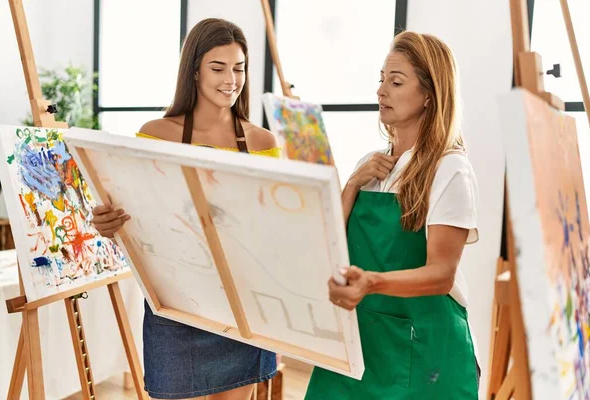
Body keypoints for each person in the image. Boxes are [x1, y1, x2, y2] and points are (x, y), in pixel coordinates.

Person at [91, 18, 280, 400]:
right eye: (217, 67)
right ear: (194, 70)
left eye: (238, 68)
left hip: (241, 303)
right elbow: (137, 219)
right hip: (176, 303)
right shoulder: (156, 134)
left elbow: (272, 228)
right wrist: (108, 223)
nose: (231, 79)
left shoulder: (263, 142)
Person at [305, 31, 481, 399]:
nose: (381, 91)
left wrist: (372, 282)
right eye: (381, 80)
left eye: (396, 81)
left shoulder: (449, 168)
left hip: (423, 349)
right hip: (359, 345)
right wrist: (352, 183)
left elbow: (442, 274)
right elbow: (329, 243)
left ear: (429, 96)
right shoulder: (368, 166)